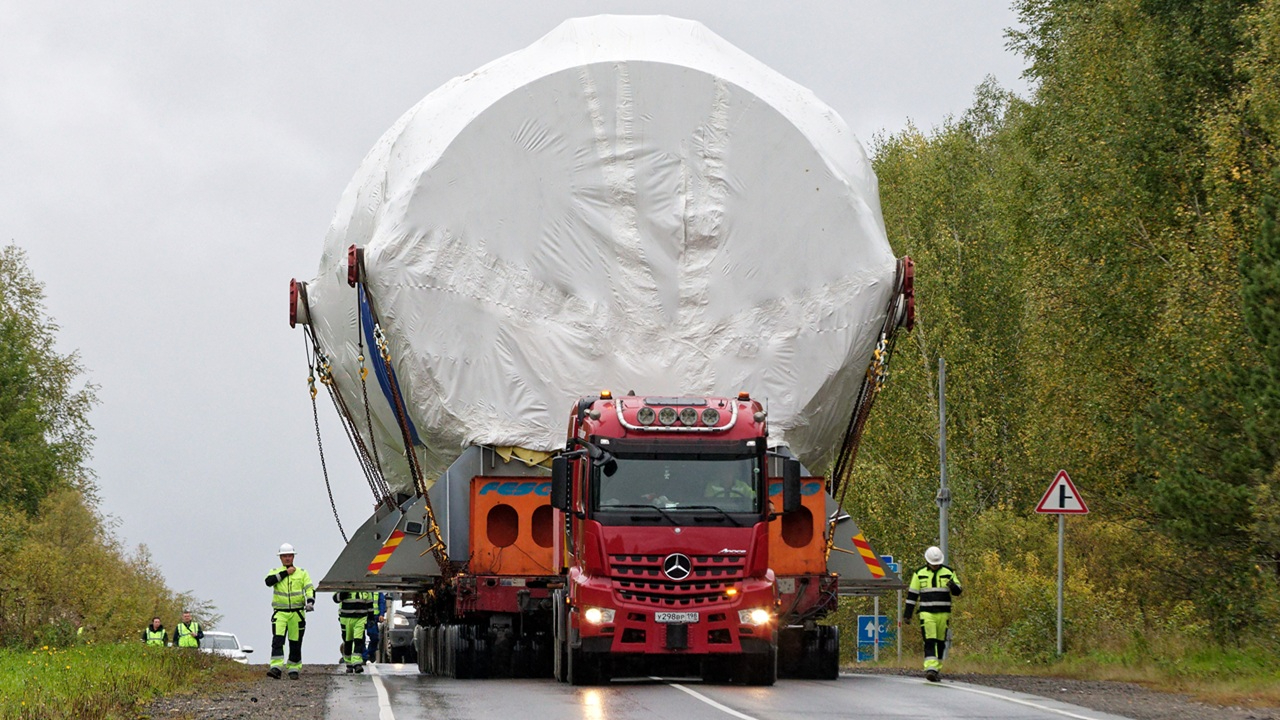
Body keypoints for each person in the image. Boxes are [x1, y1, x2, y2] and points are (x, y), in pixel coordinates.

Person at [902, 545, 962, 682]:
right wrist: (908, 614)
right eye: (933, 564)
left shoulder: (949, 572)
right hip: (926, 613)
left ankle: (937, 669)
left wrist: (953, 586)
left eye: (937, 564)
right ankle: (930, 668)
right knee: (930, 640)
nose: (935, 566)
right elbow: (912, 595)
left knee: (941, 642)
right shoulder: (919, 574)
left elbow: (958, 591)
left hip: (943, 614)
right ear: (927, 561)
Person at [265, 542, 315, 679]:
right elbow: (268, 581)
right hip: (280, 613)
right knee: (277, 640)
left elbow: (309, 588)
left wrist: (310, 601)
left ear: (293, 557)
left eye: (289, 556)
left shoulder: (302, 573)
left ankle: (294, 667)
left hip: (297, 613)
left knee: (295, 641)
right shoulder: (275, 571)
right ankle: (276, 667)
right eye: (284, 556)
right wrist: (285, 573)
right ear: (280, 558)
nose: (287, 558)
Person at [334, 590, 376, 672]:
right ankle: (349, 664)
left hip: (360, 618)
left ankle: (357, 663)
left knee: (358, 640)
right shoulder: (343, 585)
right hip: (346, 618)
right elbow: (336, 598)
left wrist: (371, 618)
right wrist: (344, 593)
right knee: (348, 641)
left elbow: (370, 603)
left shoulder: (364, 588)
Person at [364, 592, 388, 663]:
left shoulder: (377, 591)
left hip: (373, 617)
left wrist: (381, 614)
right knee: (359, 638)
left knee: (375, 637)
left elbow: (381, 602)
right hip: (362, 616)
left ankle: (369, 653)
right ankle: (364, 656)